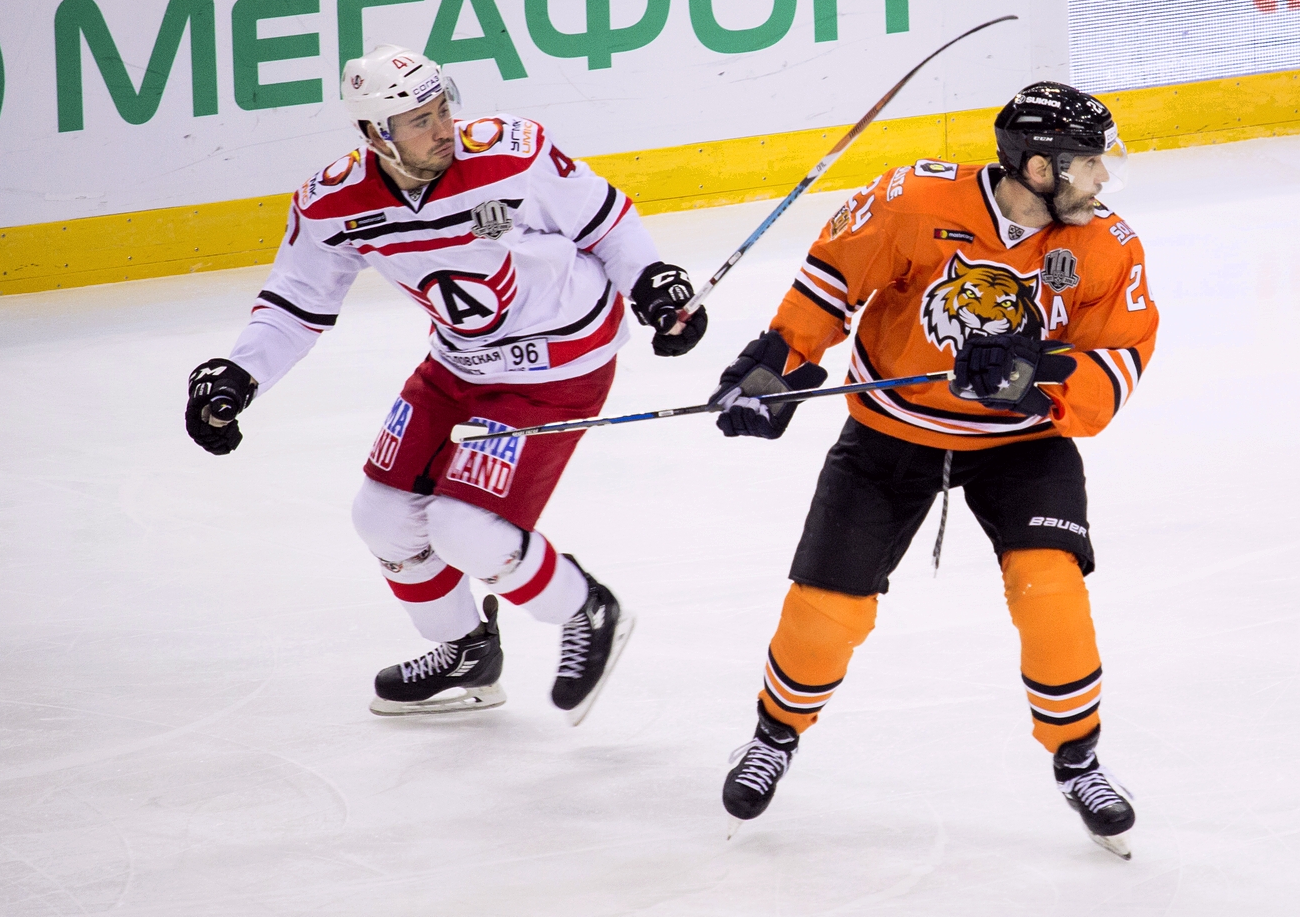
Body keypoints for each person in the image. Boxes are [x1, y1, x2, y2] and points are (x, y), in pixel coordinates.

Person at [185, 45, 707, 723]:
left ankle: (588, 609)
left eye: (443, 110)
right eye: (421, 121)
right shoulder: (333, 202)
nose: (444, 130)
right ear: (377, 136)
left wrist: (653, 284)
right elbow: (296, 299)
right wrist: (239, 373)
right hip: (459, 365)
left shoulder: (510, 154)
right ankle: (466, 649)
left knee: (467, 528)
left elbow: (603, 219)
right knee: (380, 516)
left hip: (557, 365)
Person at [710, 82, 1156, 858]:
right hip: (891, 434)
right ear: (1039, 169)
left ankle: (1077, 758)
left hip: (1019, 444)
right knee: (827, 606)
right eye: (1088, 165)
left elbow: (1116, 368)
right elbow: (829, 282)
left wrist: (1032, 375)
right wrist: (776, 366)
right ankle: (774, 736)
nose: (1102, 180)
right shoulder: (914, 200)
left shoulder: (1106, 245)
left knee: (1049, 587)